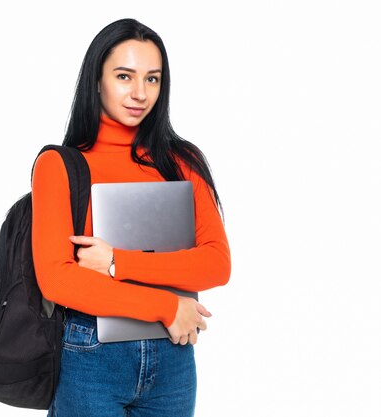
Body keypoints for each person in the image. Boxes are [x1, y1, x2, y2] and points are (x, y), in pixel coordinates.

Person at [31, 18, 231, 417]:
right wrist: (165, 305)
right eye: (125, 76)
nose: (140, 93)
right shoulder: (60, 165)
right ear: (97, 80)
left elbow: (216, 264)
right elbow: (57, 280)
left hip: (173, 359)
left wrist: (116, 262)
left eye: (153, 79)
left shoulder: (181, 162)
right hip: (91, 356)